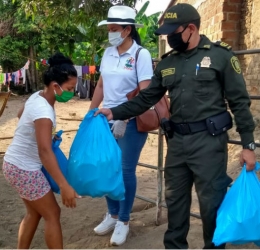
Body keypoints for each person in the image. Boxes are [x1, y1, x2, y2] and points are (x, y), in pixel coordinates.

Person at [96, 3, 257, 249]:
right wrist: (113, 111)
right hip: (178, 143)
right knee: (176, 204)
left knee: (211, 204)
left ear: (191, 28)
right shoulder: (167, 63)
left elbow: (240, 103)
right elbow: (146, 98)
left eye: (173, 31)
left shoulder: (220, 56)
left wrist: (247, 145)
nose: (169, 38)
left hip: (208, 143)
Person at [90, 5, 154, 246]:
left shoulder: (140, 55)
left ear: (128, 30)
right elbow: (100, 87)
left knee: (125, 170)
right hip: (105, 118)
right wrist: (90, 114)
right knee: (107, 167)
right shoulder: (108, 53)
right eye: (109, 29)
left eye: (115, 29)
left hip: (131, 121)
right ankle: (112, 214)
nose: (111, 33)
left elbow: (146, 93)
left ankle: (124, 221)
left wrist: (124, 117)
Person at [2, 52, 79, 249]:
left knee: (34, 212)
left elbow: (21, 115)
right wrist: (64, 185)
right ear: (55, 86)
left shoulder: (38, 96)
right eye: (70, 88)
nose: (72, 93)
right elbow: (45, 152)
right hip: (23, 169)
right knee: (52, 214)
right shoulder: (44, 111)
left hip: (13, 163)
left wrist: (41, 133)